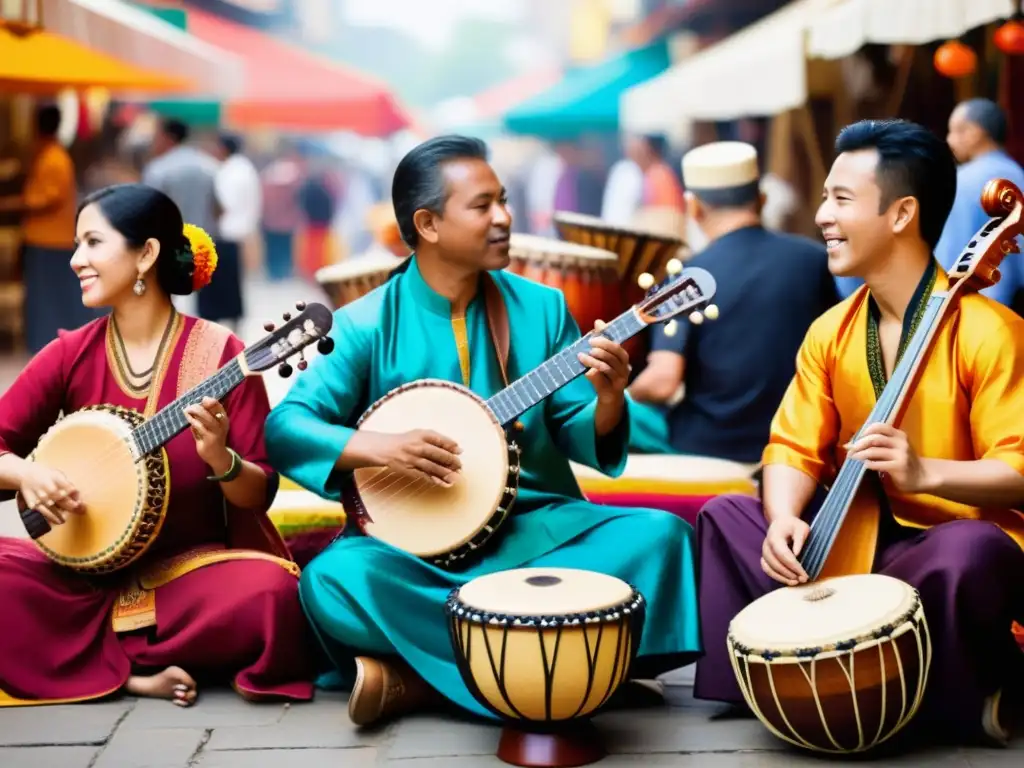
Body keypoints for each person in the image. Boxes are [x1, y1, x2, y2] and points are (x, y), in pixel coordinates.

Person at [265, 135, 701, 727]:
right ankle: (558, 669)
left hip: (536, 530)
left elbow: (580, 431)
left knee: (661, 537)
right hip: (415, 551)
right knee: (333, 581)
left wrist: (607, 397)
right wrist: (382, 448)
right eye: (482, 205)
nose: (504, 217)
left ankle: (422, 681)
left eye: (504, 200)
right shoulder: (365, 323)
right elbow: (286, 427)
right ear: (428, 224)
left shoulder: (542, 309)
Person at [693, 119, 1024, 746]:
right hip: (851, 540)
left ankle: (940, 692)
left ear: (902, 213)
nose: (822, 215)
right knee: (725, 517)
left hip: (939, 548)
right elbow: (792, 444)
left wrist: (927, 473)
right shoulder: (832, 331)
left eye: (841, 200)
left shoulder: (991, 331)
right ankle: (783, 684)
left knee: (971, 556)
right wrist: (786, 515)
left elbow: (1019, 470)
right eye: (824, 198)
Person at [0, 183, 314, 708]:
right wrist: (26, 475)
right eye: (77, 245)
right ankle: (131, 673)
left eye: (93, 243)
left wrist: (222, 460)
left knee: (274, 597)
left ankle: (74, 654)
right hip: (79, 575)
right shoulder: (70, 354)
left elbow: (257, 495)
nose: (77, 259)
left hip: (186, 576)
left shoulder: (223, 354)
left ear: (145, 253)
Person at [629, 141, 838, 465]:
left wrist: (620, 396)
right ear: (762, 199)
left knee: (617, 412)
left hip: (708, 443)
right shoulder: (814, 259)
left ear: (693, 207)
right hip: (795, 435)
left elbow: (663, 381)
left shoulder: (684, 276)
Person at [0, 104, 101, 353]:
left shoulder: (53, 159)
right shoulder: (51, 156)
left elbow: (47, 197)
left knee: (48, 297)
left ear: (36, 127)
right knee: (49, 295)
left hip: (49, 240)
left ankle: (50, 345)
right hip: (50, 238)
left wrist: (15, 203)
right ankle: (51, 344)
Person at [936, 98, 1024, 311]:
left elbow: (949, 260)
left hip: (979, 310)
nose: (949, 140)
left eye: (955, 131)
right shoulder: (1018, 174)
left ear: (974, 133)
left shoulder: (962, 182)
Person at [205, 133, 260, 330]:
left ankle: (224, 323)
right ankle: (233, 321)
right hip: (242, 232)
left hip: (228, 234)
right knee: (234, 283)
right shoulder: (245, 168)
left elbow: (225, 205)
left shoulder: (230, 171)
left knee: (225, 284)